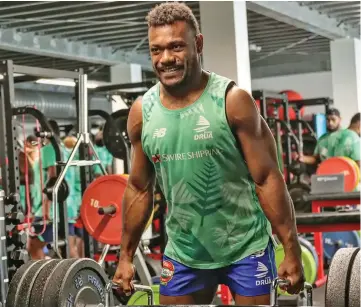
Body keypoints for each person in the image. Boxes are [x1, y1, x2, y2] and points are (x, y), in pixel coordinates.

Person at [113, 2, 304, 306]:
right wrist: (125, 257)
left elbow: (267, 178)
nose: (165, 59)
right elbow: (138, 188)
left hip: (246, 247)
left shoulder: (231, 101)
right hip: (184, 251)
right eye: (156, 50)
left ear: (197, 44)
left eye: (176, 46)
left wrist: (291, 249)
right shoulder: (142, 112)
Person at [27, 120, 81, 259]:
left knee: (33, 246)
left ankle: (44, 279)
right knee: (69, 249)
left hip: (52, 210)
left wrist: (45, 209)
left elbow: (54, 180)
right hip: (67, 208)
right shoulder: (65, 150)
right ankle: (79, 278)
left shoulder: (50, 149)